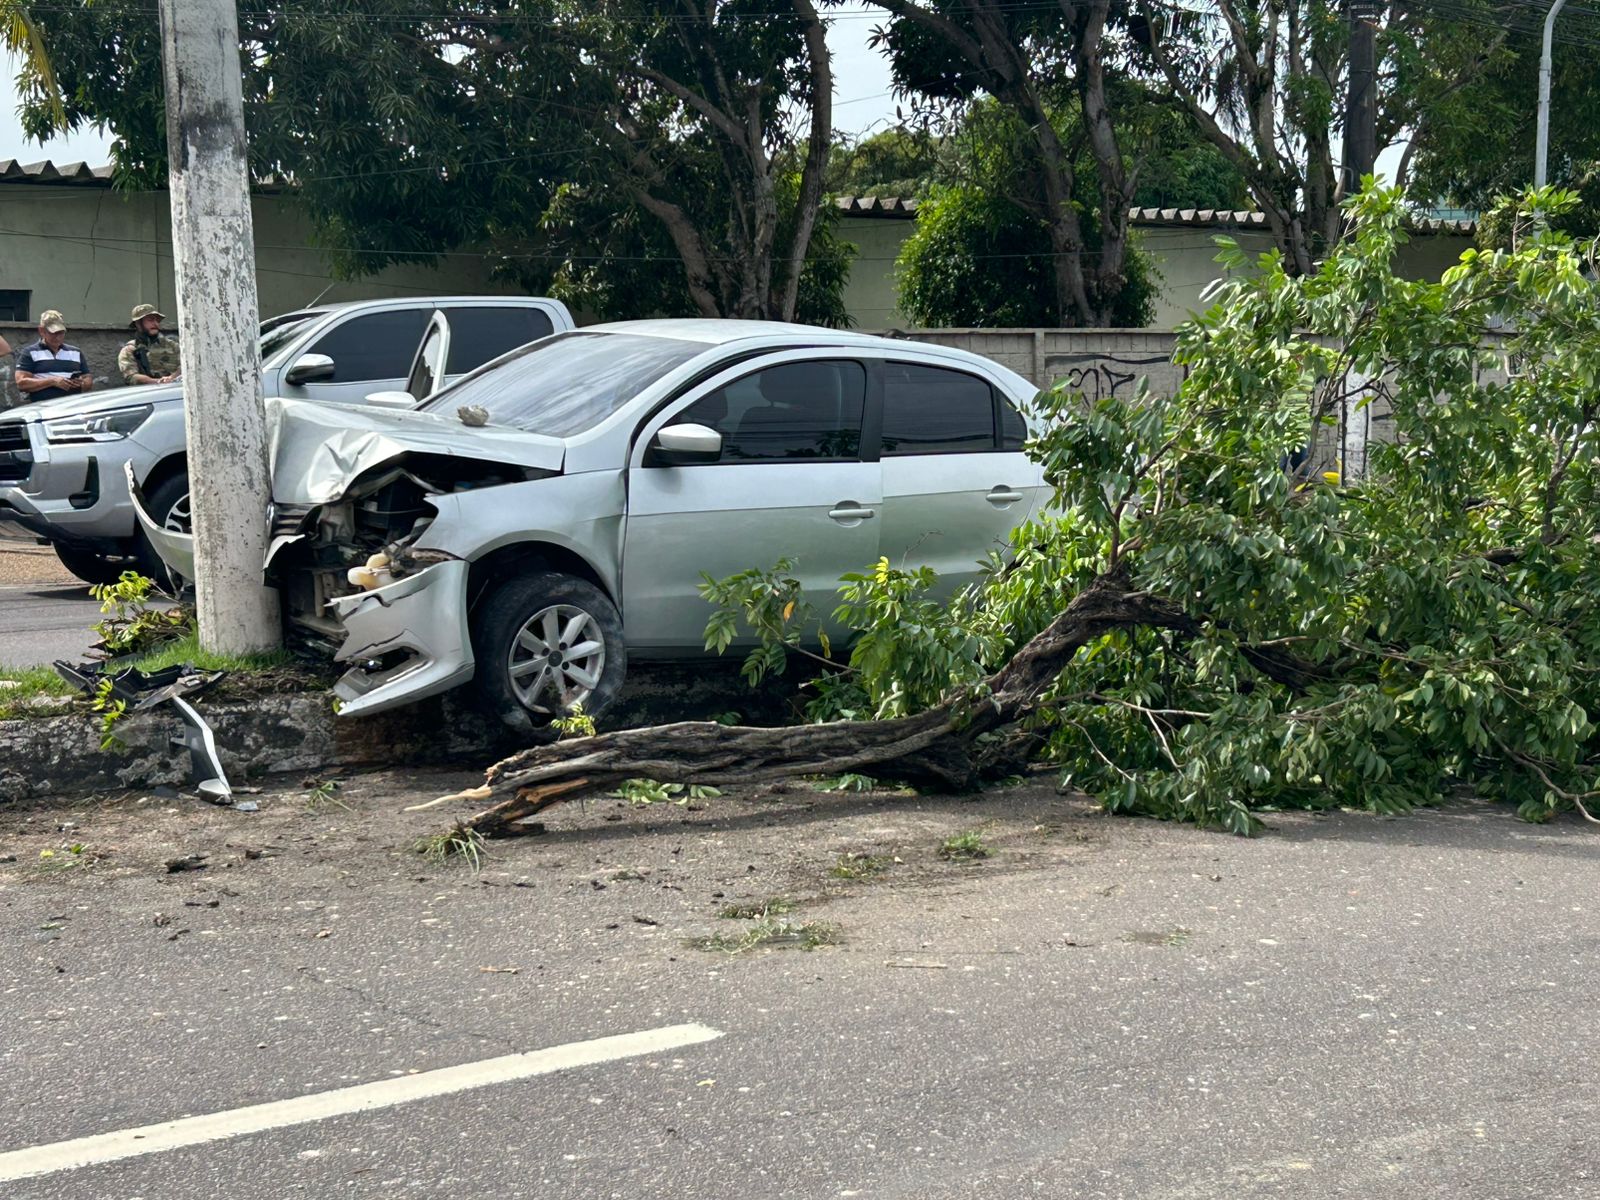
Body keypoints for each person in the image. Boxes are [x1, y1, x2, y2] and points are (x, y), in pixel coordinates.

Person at [13, 310, 93, 403]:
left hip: (72, 408)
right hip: (44, 409)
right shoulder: (30, 352)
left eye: (61, 332)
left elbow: (88, 379)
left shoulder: (76, 352)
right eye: (53, 333)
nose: (58, 337)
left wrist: (82, 383)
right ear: (41, 331)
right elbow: (21, 384)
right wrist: (52, 381)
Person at [118, 303, 182, 386]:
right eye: (150, 320)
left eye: (157, 320)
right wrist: (157, 382)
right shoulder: (130, 350)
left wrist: (172, 378)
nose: (155, 324)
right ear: (138, 323)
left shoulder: (173, 346)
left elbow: (186, 366)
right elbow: (131, 377)